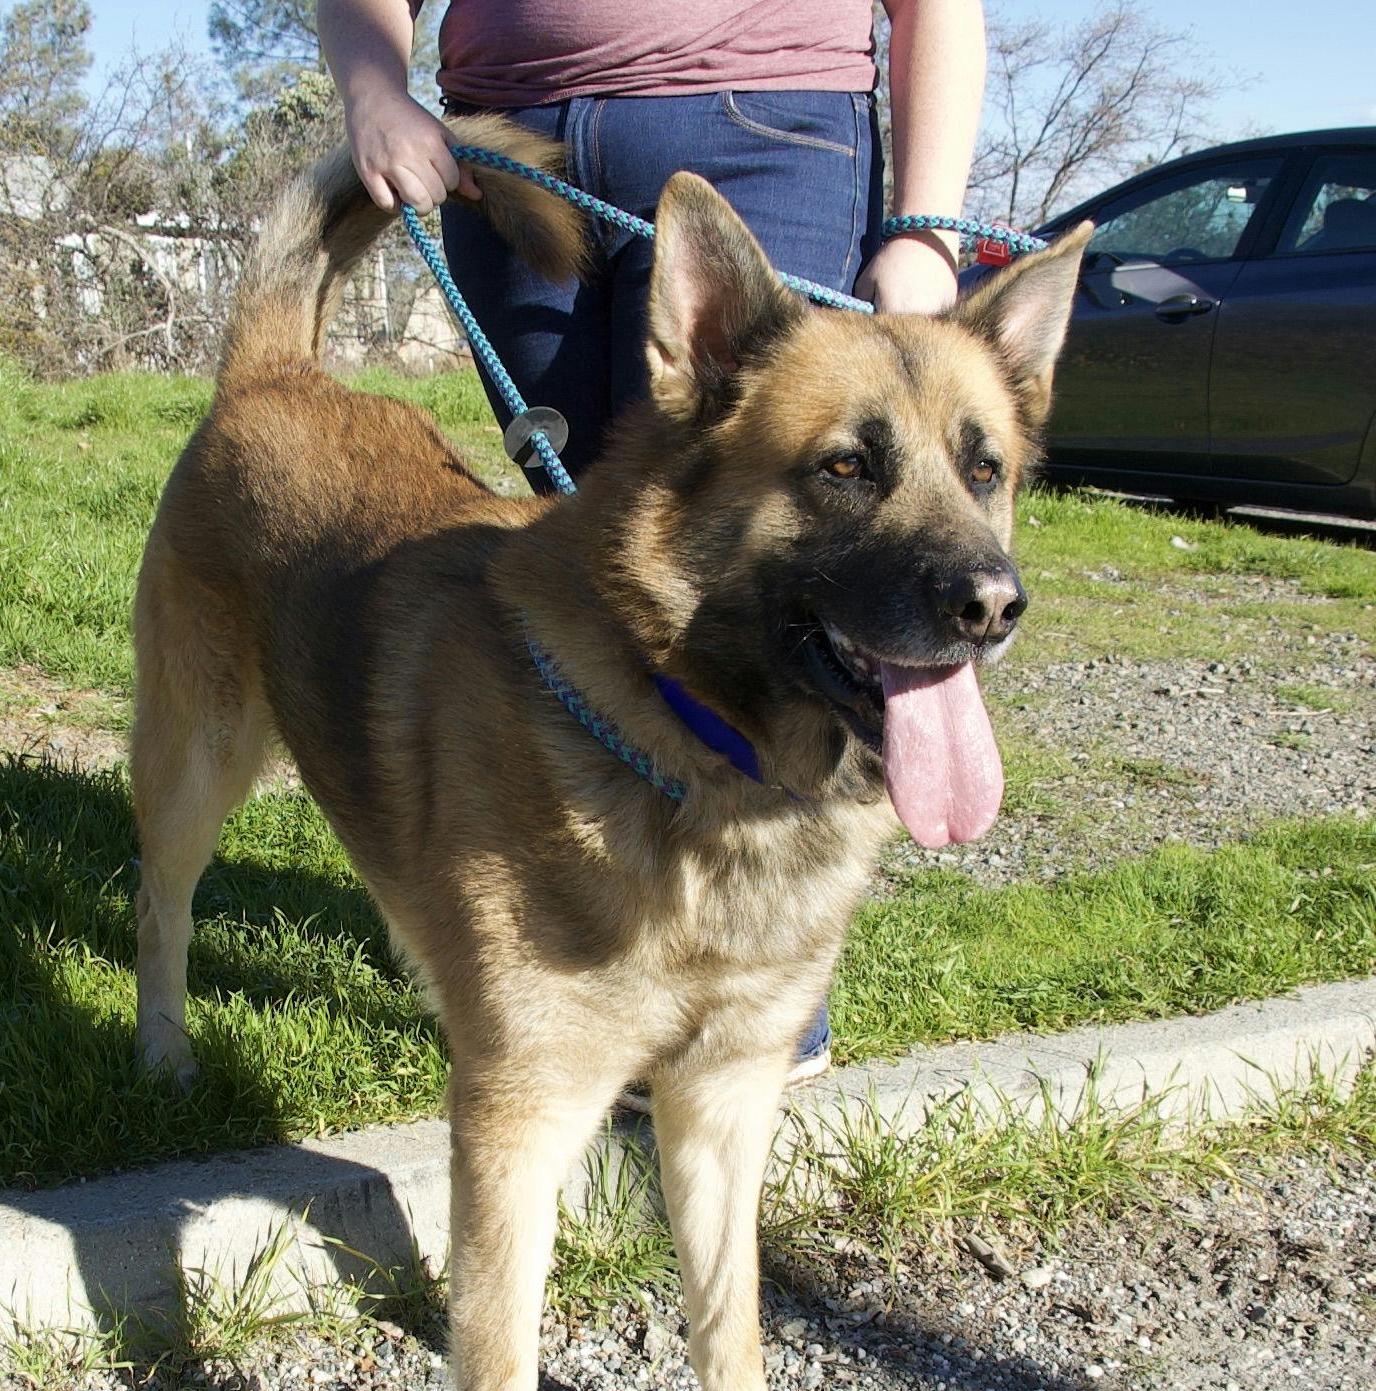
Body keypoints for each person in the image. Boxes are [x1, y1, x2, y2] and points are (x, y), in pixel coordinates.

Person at [318, 0, 986, 1083]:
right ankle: (586, 981)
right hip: (508, 144)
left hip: (759, 121)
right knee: (582, 588)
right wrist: (374, 89)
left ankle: (756, 1034)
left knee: (777, 595)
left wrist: (925, 221)